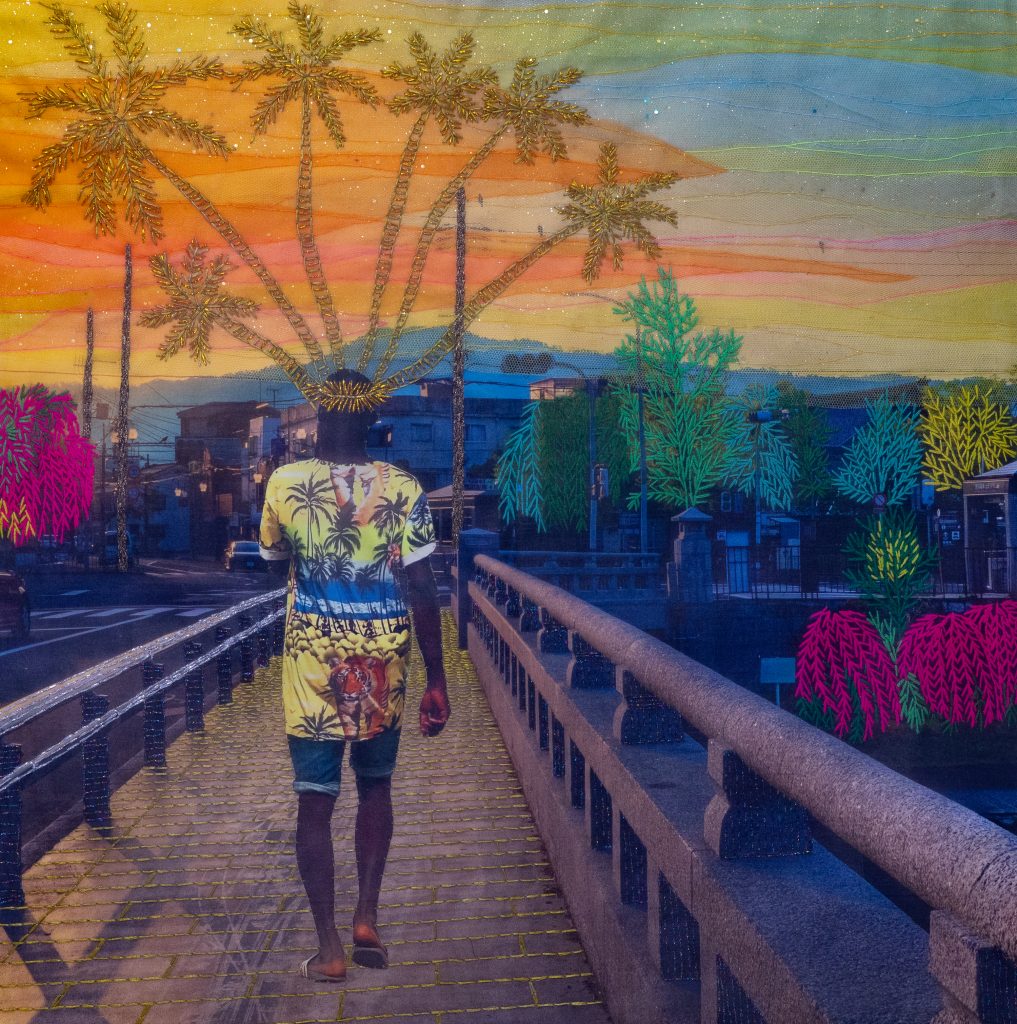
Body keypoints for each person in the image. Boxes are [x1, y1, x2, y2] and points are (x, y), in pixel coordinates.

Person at [259, 370, 451, 983]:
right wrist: (437, 678)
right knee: (375, 786)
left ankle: (330, 947)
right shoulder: (404, 488)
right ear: (371, 419)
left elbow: (273, 559)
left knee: (314, 802)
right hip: (381, 656)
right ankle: (367, 916)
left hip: (314, 658)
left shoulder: (286, 483)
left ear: (319, 416)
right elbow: (423, 586)